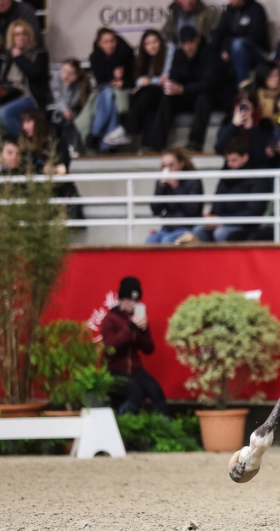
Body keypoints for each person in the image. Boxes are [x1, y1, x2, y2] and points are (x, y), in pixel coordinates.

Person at [101, 276, 168, 416]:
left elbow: (149, 349)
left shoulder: (137, 318)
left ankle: (162, 424)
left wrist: (144, 331)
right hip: (115, 370)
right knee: (136, 392)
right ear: (121, 299)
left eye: (136, 301)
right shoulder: (110, 319)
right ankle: (123, 421)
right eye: (129, 300)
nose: (133, 304)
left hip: (136, 369)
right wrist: (129, 328)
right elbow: (110, 348)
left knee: (155, 390)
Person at [149, 27, 222, 153]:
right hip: (186, 95)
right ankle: (155, 144)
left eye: (191, 42)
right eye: (184, 43)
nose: (188, 47)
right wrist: (172, 86)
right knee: (167, 98)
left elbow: (210, 83)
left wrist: (184, 88)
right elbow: (174, 76)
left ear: (197, 39)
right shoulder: (179, 54)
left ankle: (195, 142)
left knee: (203, 99)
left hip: (208, 95)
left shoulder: (210, 52)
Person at [194, 138, 268, 242]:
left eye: (234, 160)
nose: (230, 164)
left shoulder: (258, 178)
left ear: (245, 157)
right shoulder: (226, 176)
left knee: (221, 233)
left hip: (245, 225)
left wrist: (224, 220)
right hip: (224, 220)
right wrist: (213, 217)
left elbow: (254, 211)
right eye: (228, 160)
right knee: (199, 230)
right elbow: (217, 202)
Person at [0, 19, 49, 139]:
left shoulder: (39, 53)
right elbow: (3, 79)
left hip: (31, 96)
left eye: (24, 34)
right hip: (10, 95)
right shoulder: (6, 56)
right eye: (17, 34)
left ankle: (30, 141)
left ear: (29, 36)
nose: (21, 37)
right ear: (12, 37)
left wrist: (19, 57)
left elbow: (34, 73)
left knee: (3, 114)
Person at [80, 28, 135, 151]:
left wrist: (122, 81)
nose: (110, 45)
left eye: (112, 41)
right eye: (105, 42)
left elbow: (133, 79)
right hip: (103, 91)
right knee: (109, 94)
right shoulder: (95, 57)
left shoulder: (126, 54)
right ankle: (109, 145)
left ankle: (95, 133)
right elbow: (100, 80)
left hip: (124, 91)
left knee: (112, 97)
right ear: (99, 43)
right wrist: (113, 76)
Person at [125, 30, 175, 152]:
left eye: (155, 42)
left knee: (146, 94)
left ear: (161, 41)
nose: (152, 46)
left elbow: (165, 77)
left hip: (168, 91)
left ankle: (128, 129)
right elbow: (138, 79)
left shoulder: (169, 50)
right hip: (152, 93)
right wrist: (142, 83)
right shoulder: (144, 58)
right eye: (147, 43)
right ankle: (147, 146)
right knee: (145, 102)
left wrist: (148, 82)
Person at [147, 146, 204, 244]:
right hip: (168, 227)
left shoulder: (193, 180)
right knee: (151, 240)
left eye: (171, 165)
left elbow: (193, 210)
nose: (167, 170)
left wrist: (176, 187)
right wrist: (160, 189)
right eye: (164, 166)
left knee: (167, 241)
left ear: (181, 164)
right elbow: (156, 210)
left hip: (188, 227)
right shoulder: (163, 183)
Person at [212, 0, 270, 86]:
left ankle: (242, 86)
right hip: (232, 49)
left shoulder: (257, 9)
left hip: (256, 51)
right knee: (212, 50)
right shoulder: (229, 10)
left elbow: (254, 38)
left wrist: (228, 49)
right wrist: (222, 49)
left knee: (238, 45)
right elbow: (220, 33)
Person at [48, 59, 91, 158]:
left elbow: (72, 103)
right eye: (64, 71)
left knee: (74, 120)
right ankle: (62, 149)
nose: (65, 75)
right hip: (52, 108)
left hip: (70, 110)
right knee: (61, 119)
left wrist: (68, 86)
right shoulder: (54, 77)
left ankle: (74, 148)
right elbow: (57, 98)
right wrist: (65, 109)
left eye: (70, 73)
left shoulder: (79, 84)